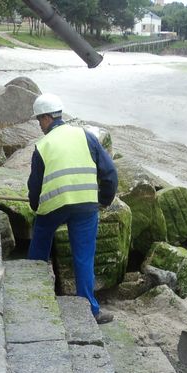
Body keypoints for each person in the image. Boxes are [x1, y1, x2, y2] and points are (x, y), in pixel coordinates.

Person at [27, 93, 118, 325]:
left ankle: (32, 297)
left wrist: (36, 208)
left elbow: (35, 186)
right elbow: (109, 173)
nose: (40, 126)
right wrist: (104, 200)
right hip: (86, 206)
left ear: (47, 118)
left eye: (40, 121)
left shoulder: (42, 146)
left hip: (54, 207)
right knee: (84, 257)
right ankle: (90, 310)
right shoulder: (86, 136)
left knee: (39, 246)